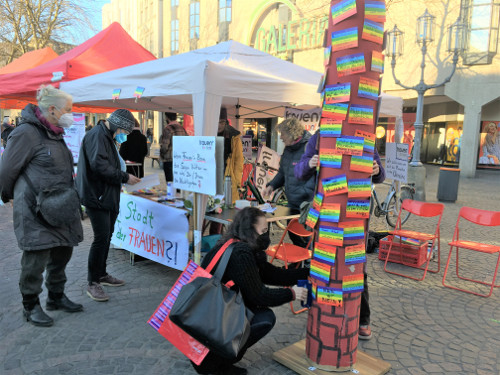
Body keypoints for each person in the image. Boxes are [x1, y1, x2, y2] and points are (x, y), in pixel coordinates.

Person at [0, 85, 84, 327]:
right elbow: (6, 171)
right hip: (34, 207)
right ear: (52, 109)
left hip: (60, 206)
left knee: (62, 252)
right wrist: (8, 196)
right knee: (35, 259)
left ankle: (55, 297)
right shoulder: (26, 133)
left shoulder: (56, 133)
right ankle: (31, 305)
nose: (71, 113)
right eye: (68, 109)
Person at [193, 207, 309, 375]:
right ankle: (215, 363)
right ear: (249, 230)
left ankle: (213, 357)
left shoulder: (237, 243)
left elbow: (272, 274)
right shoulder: (241, 253)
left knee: (257, 313)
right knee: (264, 318)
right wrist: (292, 293)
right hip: (214, 314)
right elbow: (259, 295)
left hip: (212, 308)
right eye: (263, 231)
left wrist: (308, 272)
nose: (266, 236)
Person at [294, 131, 385, 341]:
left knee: (355, 265)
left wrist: (377, 170)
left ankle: (363, 318)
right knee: (322, 262)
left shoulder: (364, 136)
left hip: (355, 213)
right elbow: (299, 172)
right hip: (326, 213)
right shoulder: (319, 137)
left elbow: (380, 174)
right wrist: (309, 164)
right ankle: (320, 311)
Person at [76, 109, 141, 302]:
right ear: (116, 125)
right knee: (101, 238)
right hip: (97, 196)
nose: (125, 136)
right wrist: (125, 177)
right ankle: (92, 282)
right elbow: (100, 167)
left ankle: (102, 274)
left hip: (108, 195)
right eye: (124, 131)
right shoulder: (97, 136)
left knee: (107, 236)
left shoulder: (107, 136)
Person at [262, 118, 315, 247]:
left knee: (306, 238)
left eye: (283, 134)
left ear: (292, 133)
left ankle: (307, 264)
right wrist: (272, 185)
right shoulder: (288, 149)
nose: (281, 138)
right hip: (292, 202)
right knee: (293, 234)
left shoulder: (310, 146)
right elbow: (282, 172)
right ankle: (300, 265)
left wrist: (305, 194)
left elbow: (316, 175)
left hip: (306, 204)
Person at [160, 112, 188, 182]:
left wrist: (161, 154)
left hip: (169, 159)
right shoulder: (182, 129)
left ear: (167, 117)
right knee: (179, 182)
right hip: (180, 160)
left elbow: (165, 146)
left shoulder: (168, 129)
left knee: (170, 183)